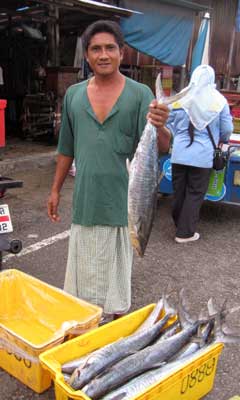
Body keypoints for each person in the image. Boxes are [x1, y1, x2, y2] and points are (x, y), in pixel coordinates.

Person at [47, 20, 170, 321]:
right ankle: (87, 332)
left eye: (110, 48)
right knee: (83, 289)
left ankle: (111, 332)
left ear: (121, 53)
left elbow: (162, 147)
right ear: (87, 55)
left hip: (122, 208)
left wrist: (160, 124)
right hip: (85, 206)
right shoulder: (74, 95)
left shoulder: (140, 94)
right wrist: (54, 190)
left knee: (114, 293)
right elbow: (66, 148)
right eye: (96, 49)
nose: (103, 55)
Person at [167, 65, 233, 244]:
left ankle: (179, 223)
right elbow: (227, 129)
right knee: (195, 193)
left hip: (179, 154)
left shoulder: (182, 97)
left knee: (179, 191)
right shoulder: (219, 101)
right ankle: (185, 233)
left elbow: (167, 120)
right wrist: (222, 138)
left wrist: (177, 134)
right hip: (203, 156)